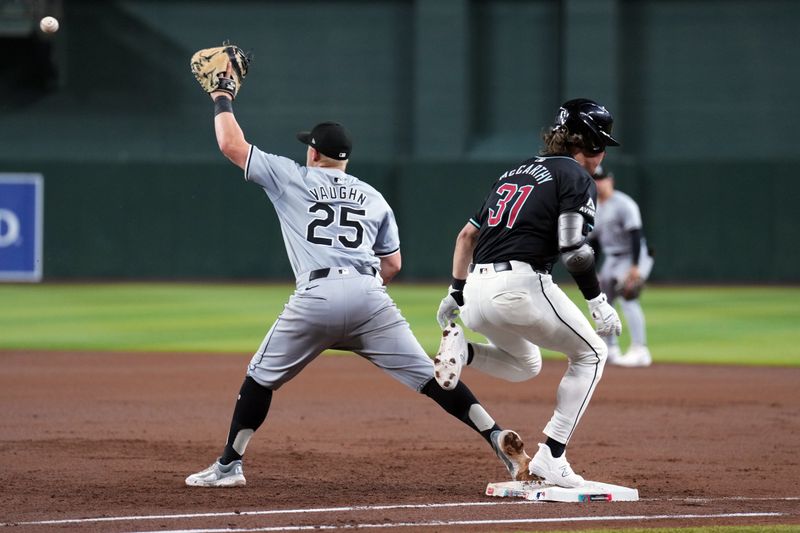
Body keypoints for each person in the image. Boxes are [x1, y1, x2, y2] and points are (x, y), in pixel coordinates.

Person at [185, 63, 533, 487]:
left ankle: (229, 466)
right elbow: (393, 265)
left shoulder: (291, 175)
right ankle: (495, 434)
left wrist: (222, 94)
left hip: (317, 294)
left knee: (260, 378)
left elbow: (230, 144)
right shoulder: (373, 196)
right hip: (371, 295)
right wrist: (358, 305)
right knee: (430, 377)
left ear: (313, 153)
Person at [434, 98, 622, 489]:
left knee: (526, 365)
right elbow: (574, 249)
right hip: (520, 286)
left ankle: (463, 350)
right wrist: (597, 301)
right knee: (591, 355)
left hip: (476, 292)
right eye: (600, 145)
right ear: (587, 144)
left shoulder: (512, 173)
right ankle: (552, 456)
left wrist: (456, 291)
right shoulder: (575, 176)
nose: (600, 156)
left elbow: (467, 235)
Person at [588, 165, 654, 367]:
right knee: (602, 300)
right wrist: (594, 270)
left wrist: (635, 266)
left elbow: (636, 234)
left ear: (611, 180)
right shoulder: (594, 206)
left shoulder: (624, 204)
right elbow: (595, 242)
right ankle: (611, 348)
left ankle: (640, 349)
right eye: (595, 179)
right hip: (612, 258)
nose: (598, 182)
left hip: (633, 255)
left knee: (628, 297)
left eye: (602, 178)